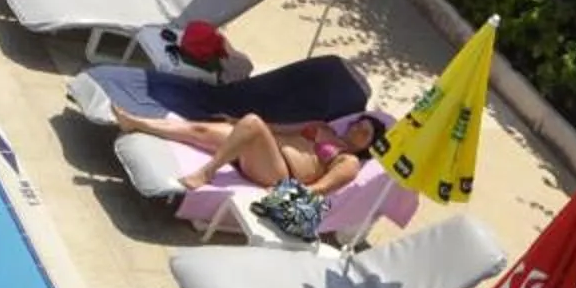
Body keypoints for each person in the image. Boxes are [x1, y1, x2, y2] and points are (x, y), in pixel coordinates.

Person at [108, 108, 391, 197]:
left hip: (279, 175)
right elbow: (278, 128)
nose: (356, 130)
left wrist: (284, 196)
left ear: (369, 146)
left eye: (364, 133)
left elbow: (320, 188)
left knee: (252, 122)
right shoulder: (323, 127)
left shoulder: (350, 161)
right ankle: (137, 122)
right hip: (263, 150)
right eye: (358, 124)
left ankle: (207, 172)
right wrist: (233, 124)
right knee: (200, 130)